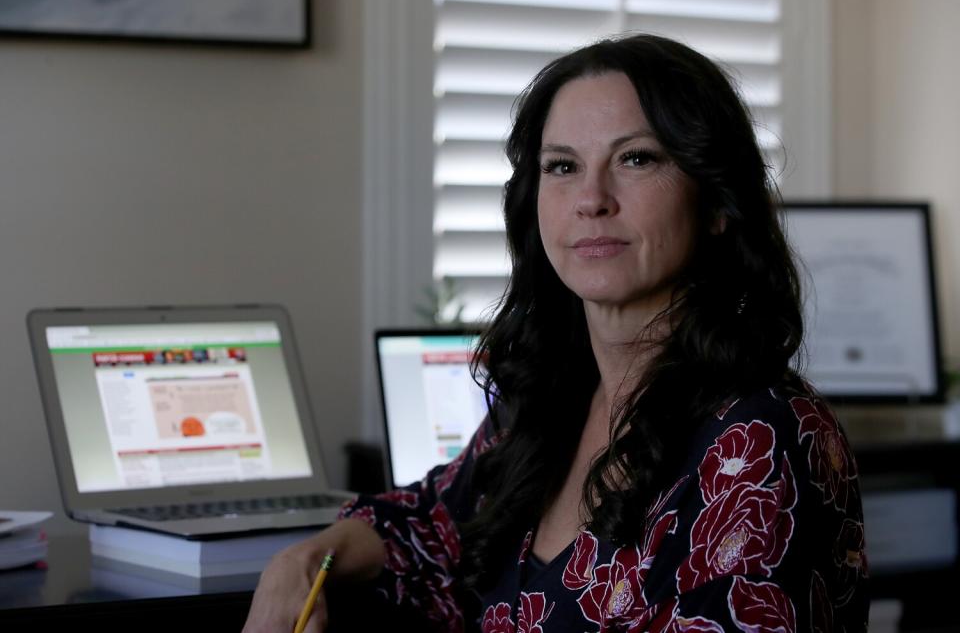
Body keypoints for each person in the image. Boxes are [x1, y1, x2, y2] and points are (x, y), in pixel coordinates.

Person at [243, 34, 868, 632]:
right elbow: (426, 528)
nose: (591, 199)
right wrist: (302, 561)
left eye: (637, 158)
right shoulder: (547, 401)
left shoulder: (764, 437)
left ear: (717, 202)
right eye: (562, 165)